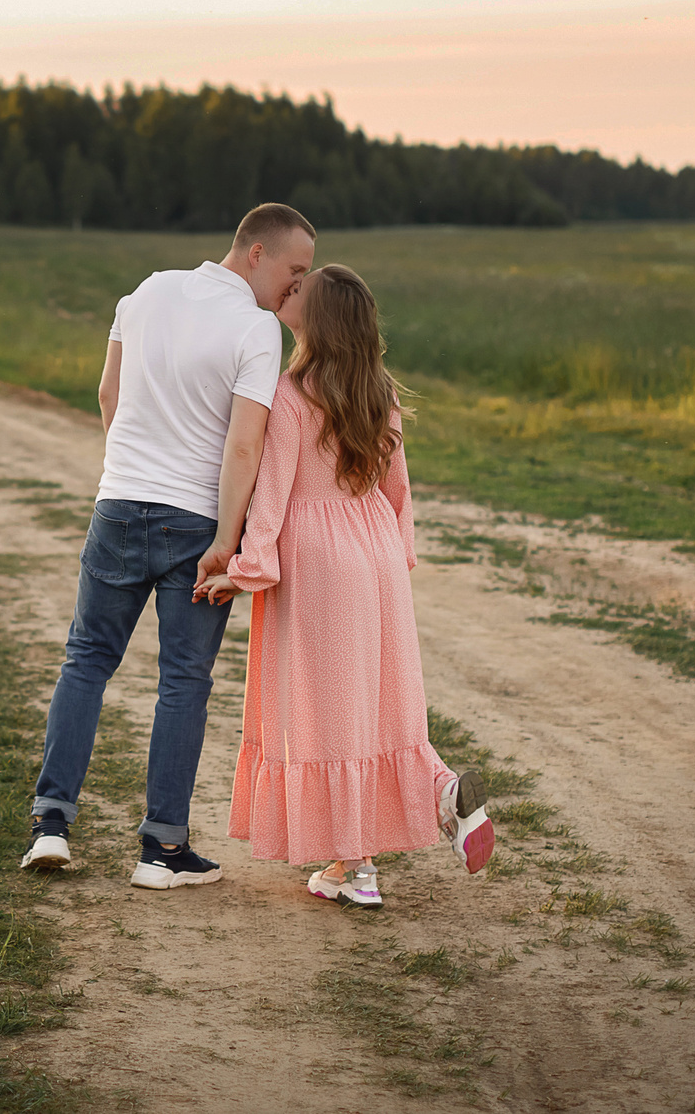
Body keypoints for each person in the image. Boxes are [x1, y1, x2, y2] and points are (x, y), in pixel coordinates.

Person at [21, 202, 317, 889]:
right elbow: (244, 443)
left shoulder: (146, 291)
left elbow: (107, 394)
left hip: (118, 501)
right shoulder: (254, 327)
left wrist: (131, 468)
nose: (296, 288)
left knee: (86, 660)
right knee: (182, 680)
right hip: (195, 523)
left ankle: (50, 825)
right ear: (255, 253)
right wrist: (226, 539)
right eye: (293, 270)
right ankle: (162, 849)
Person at [204, 263, 490, 908]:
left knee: (326, 713)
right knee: (376, 703)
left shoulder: (290, 394)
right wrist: (398, 555)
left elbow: (271, 496)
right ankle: (440, 791)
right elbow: (399, 490)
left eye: (301, 290)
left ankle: (356, 867)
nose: (290, 290)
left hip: (318, 563)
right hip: (376, 551)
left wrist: (243, 570)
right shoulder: (379, 392)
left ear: (319, 318)